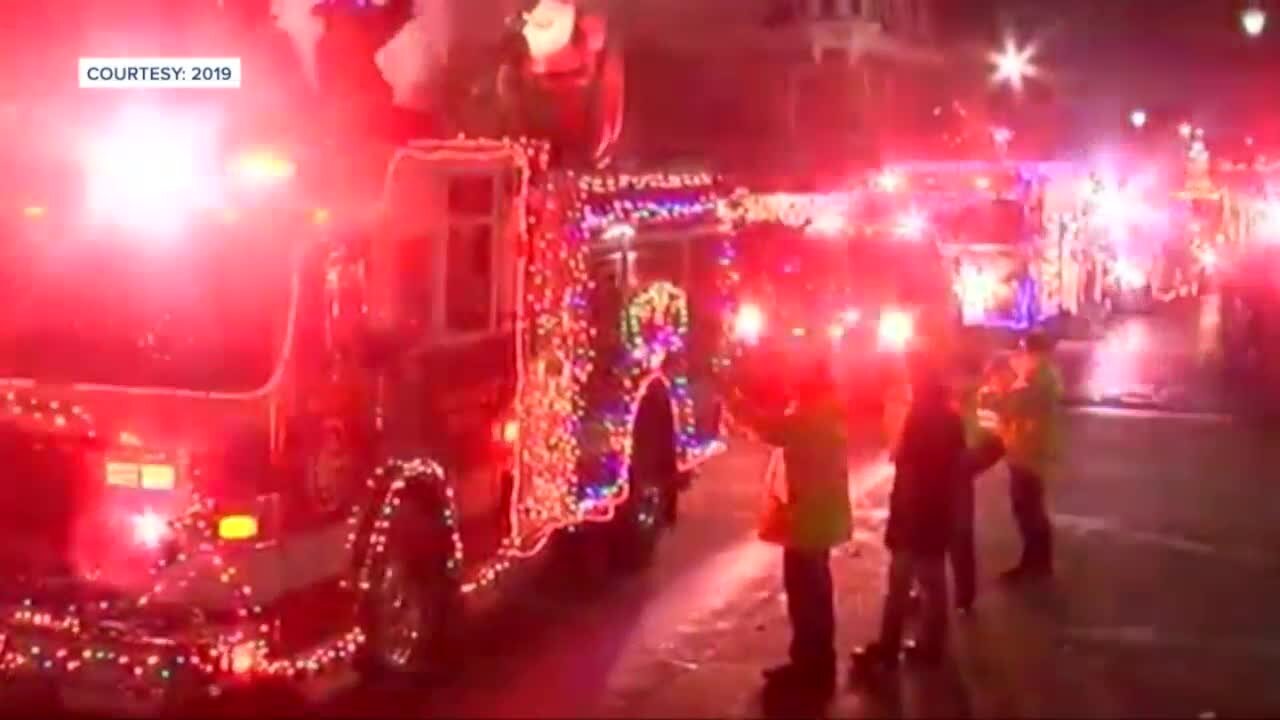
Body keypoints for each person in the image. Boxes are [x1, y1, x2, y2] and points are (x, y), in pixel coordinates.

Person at [738, 353, 851, 698]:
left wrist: (735, 404)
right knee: (816, 594)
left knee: (806, 597)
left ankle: (810, 667)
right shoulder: (828, 413)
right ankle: (816, 662)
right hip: (822, 518)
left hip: (808, 521)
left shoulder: (810, 418)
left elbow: (771, 430)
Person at [852, 350, 968, 673]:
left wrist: (903, 518)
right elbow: (958, 463)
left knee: (900, 585)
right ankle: (932, 647)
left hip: (915, 513)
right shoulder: (950, 416)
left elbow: (908, 464)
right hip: (938, 510)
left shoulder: (919, 417)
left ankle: (888, 649)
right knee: (933, 584)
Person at [992, 331, 1064, 582]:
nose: (1020, 354)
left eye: (1024, 349)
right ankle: (1035, 561)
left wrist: (1002, 393)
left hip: (1029, 452)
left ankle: (1036, 563)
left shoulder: (1038, 378)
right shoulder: (1043, 375)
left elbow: (1016, 406)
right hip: (1029, 450)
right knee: (1029, 508)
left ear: (1034, 351)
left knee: (1028, 509)